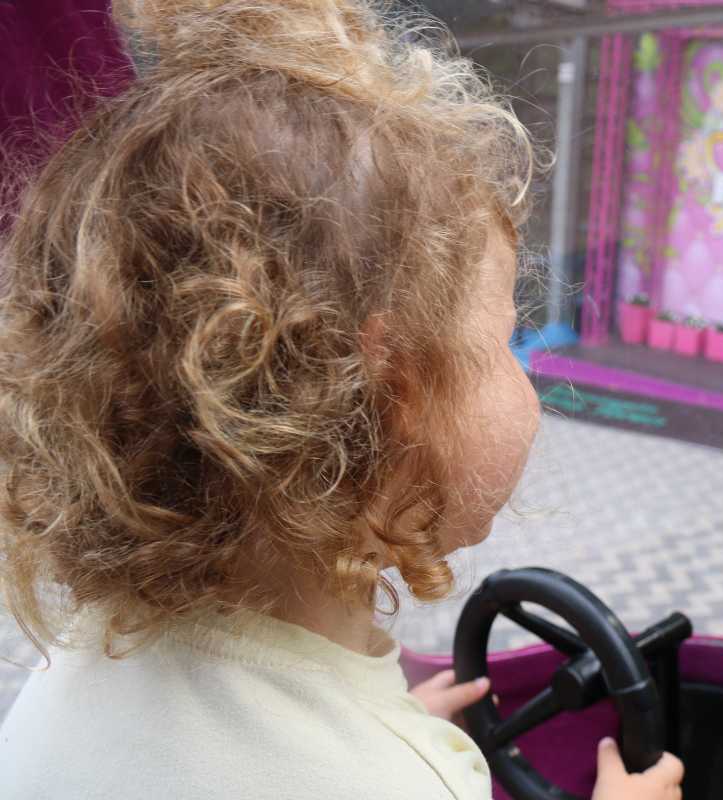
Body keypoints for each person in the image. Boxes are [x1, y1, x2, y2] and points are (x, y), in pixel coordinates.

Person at [0, 2, 685, 798]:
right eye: (507, 338)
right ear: (397, 391)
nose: (526, 372)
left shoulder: (76, 659)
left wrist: (385, 726)